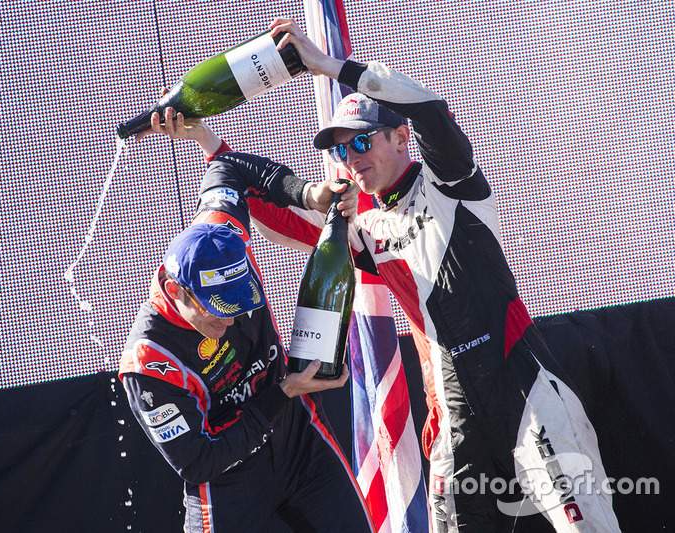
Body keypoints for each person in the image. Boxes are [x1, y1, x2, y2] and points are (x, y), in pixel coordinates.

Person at [228, 18, 620, 533]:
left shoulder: (449, 180)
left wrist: (328, 66)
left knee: (585, 527)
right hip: (451, 406)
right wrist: (210, 145)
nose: (351, 160)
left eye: (361, 143)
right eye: (341, 151)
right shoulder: (366, 226)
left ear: (398, 136)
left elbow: (431, 110)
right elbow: (285, 221)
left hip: (521, 385)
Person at [118, 113, 375, 532]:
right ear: (176, 290)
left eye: (242, 301)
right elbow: (199, 462)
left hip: (297, 439)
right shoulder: (148, 362)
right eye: (220, 307)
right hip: (227, 479)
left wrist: (309, 195)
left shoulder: (222, 231)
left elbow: (230, 167)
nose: (234, 317)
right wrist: (283, 391)